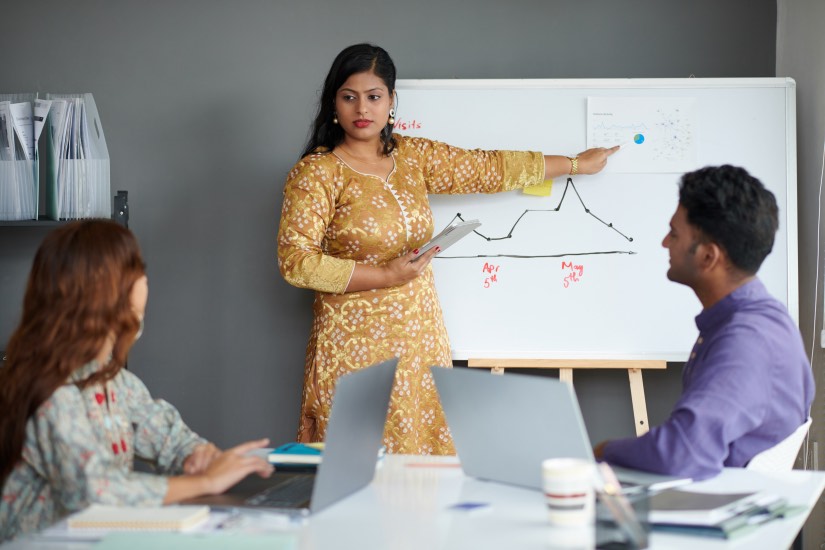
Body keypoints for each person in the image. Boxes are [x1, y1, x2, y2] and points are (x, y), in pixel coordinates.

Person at [277, 43, 617, 455]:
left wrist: (575, 164)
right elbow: (297, 263)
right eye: (349, 97)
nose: (362, 108)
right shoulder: (318, 172)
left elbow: (486, 168)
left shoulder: (411, 157)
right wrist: (386, 275)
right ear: (334, 102)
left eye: (374, 96)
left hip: (420, 338)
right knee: (360, 465)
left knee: (424, 471)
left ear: (391, 102)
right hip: (353, 346)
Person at [0, 220, 274, 541]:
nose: (144, 279)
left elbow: (165, 432)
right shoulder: (51, 392)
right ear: (105, 290)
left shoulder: (114, 381)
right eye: (136, 269)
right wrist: (206, 482)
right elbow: (95, 491)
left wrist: (196, 454)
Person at [595, 165, 814, 480]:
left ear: (709, 257)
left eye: (674, 234)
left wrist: (603, 450)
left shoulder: (748, 341)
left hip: (718, 507)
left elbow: (682, 452)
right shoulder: (759, 320)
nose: (664, 243)